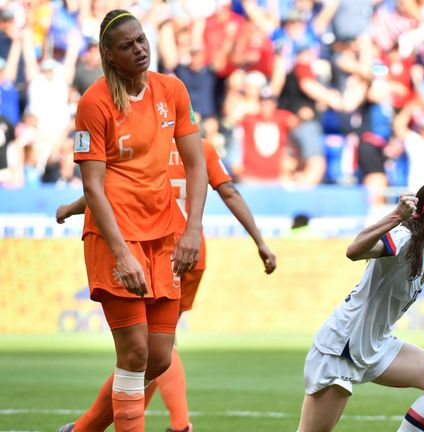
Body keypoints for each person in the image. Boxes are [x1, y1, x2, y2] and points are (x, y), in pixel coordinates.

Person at [56, 138, 277, 431]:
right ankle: (164, 424)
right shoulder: (204, 148)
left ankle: (167, 424)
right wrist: (260, 241)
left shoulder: (143, 144)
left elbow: (108, 191)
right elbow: (230, 192)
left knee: (146, 353)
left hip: (152, 247)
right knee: (153, 352)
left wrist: (71, 209)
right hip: (192, 254)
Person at [57, 10, 209, 432]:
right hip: (115, 241)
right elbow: (94, 187)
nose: (140, 49)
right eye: (127, 46)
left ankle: (82, 430)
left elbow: (197, 167)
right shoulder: (94, 102)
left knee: (159, 357)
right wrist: (122, 253)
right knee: (135, 355)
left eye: (141, 40)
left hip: (165, 236)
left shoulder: (172, 89)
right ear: (109, 54)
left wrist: (191, 228)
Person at [298, 179, 424, 432]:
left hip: (376, 345)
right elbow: (354, 251)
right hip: (341, 348)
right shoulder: (403, 236)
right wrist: (395, 216)